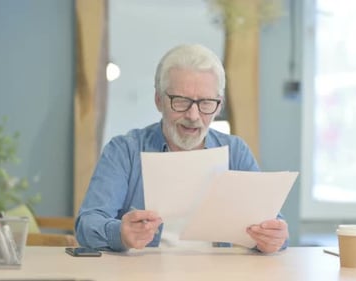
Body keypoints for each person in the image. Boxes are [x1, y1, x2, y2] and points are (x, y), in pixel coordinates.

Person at [75, 44, 289, 254]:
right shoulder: (124, 151)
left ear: (219, 105)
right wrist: (120, 233)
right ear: (159, 100)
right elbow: (87, 225)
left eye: (205, 103)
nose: (193, 116)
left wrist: (274, 237)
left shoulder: (236, 152)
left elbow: (273, 224)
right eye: (181, 101)